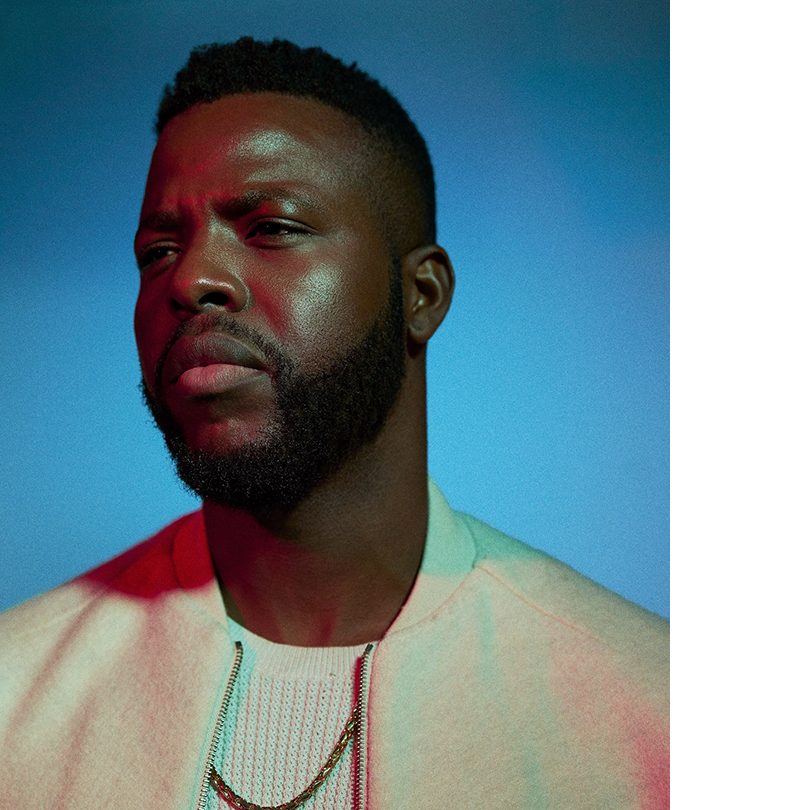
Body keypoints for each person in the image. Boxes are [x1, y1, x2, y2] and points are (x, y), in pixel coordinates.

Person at [0, 37, 668, 808]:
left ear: (420, 295)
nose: (190, 279)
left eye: (272, 228)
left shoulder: (653, 720)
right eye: (157, 250)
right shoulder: (16, 700)